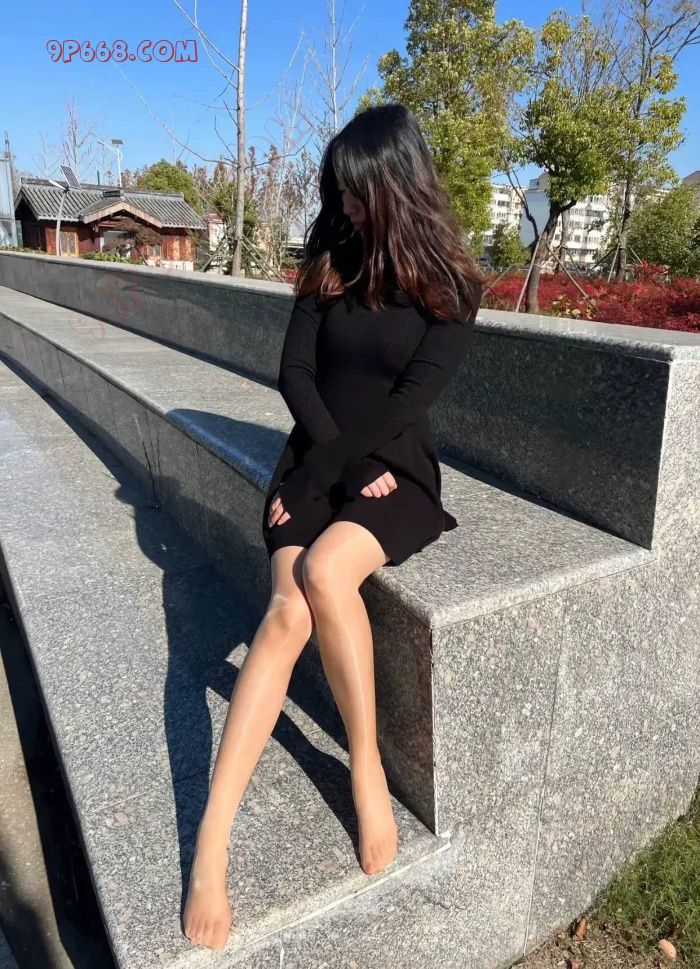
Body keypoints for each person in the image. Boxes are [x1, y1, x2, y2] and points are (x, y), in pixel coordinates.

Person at [182, 102, 485, 951]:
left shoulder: (452, 288)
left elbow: (408, 403)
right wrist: (330, 468)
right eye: (337, 191)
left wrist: (351, 468)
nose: (342, 205)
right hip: (317, 459)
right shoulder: (330, 254)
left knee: (324, 573)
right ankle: (212, 843)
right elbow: (293, 373)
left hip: (398, 469)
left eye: (354, 192)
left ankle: (365, 765)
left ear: (395, 186)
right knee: (286, 610)